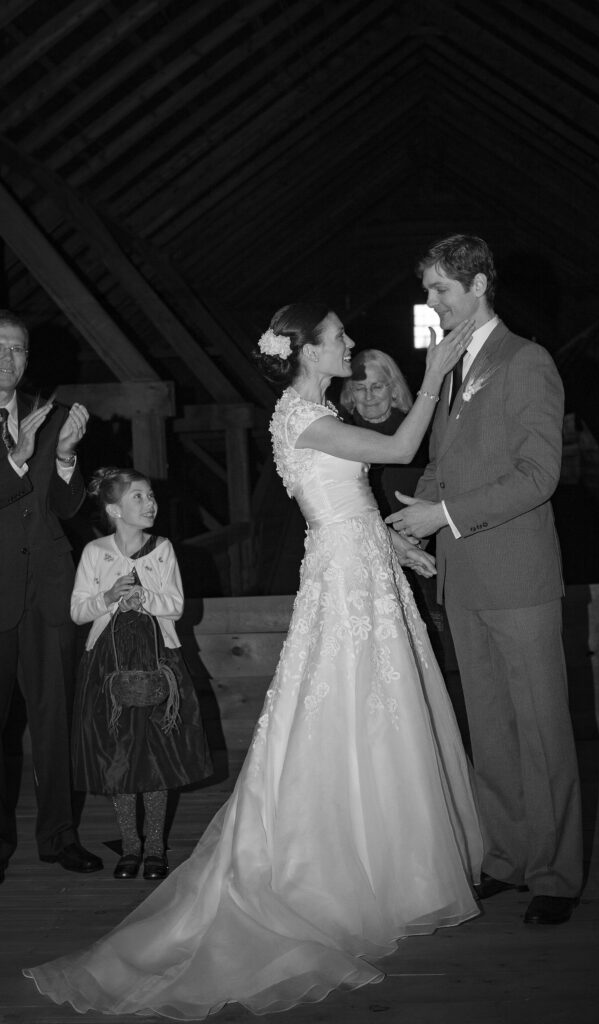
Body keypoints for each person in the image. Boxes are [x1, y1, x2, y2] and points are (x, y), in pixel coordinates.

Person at [23, 302, 482, 1018]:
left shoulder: (306, 412)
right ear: (307, 352)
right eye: (337, 338)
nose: (350, 344)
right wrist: (433, 376)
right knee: (344, 707)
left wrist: (392, 545)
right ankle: (333, 866)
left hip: (363, 571)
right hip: (343, 584)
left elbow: (342, 500)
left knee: (374, 712)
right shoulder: (300, 417)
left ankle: (395, 863)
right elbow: (393, 454)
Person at [387, 235, 583, 926]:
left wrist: (445, 513)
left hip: (519, 578)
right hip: (462, 580)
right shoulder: (448, 365)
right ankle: (505, 858)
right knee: (491, 730)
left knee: (540, 730)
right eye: (430, 291)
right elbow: (442, 463)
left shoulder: (526, 361)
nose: (432, 303)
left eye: (440, 290)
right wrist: (414, 509)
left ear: (477, 288)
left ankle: (556, 873)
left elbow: (538, 476)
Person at [70, 467, 213, 881]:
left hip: (157, 661)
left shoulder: (162, 548)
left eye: (151, 496)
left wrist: (144, 595)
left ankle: (154, 848)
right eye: (139, 497)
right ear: (114, 509)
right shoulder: (95, 553)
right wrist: (110, 596)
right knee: (118, 753)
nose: (150, 503)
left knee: (156, 755)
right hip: (108, 666)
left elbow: (176, 605)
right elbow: (78, 611)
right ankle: (128, 847)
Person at [0, 310, 102, 885]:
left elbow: (66, 509)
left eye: (16, 348)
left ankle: (60, 837)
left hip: (50, 592)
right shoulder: (24, 428)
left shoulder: (55, 415)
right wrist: (16, 456)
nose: (7, 359)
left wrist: (64, 456)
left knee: (54, 721)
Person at [339, 349, 426, 516]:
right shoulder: (341, 430)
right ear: (351, 393)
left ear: (394, 390)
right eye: (359, 388)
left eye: (377, 386)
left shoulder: (418, 431)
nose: (369, 396)